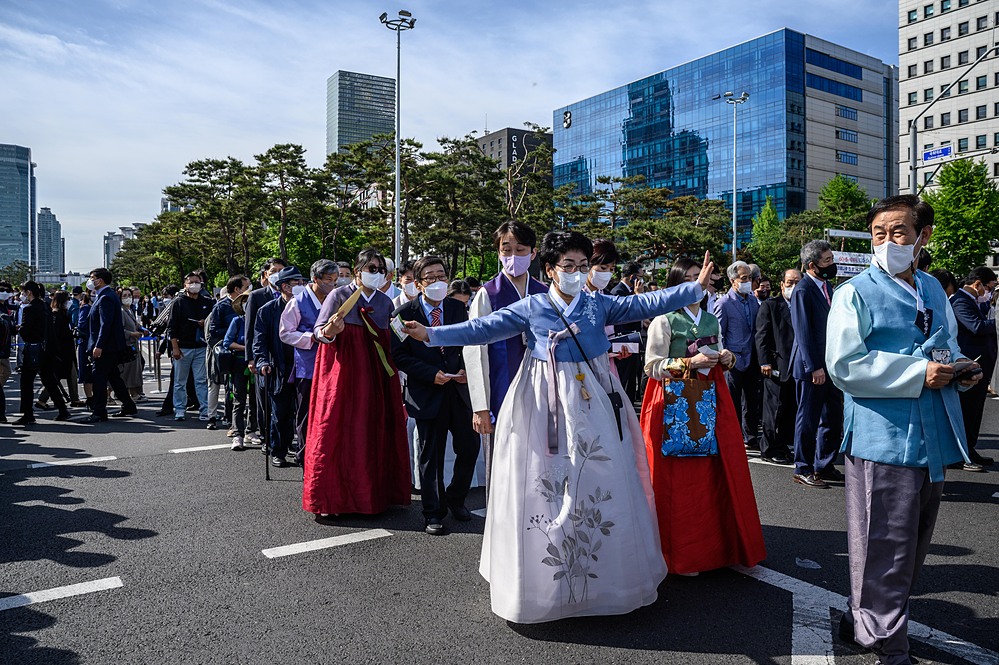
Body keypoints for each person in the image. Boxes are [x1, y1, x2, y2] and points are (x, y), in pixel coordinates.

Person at [400, 231, 711, 624]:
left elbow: (642, 303)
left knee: (600, 475)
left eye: (583, 266)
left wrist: (690, 290)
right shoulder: (530, 307)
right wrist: (432, 334)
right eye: (569, 267)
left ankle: (603, 581)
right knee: (544, 482)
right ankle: (546, 581)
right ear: (549, 270)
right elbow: (482, 329)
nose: (578, 274)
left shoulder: (599, 304)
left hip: (593, 395)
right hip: (540, 399)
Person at [827, 194, 980, 665]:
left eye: (898, 232)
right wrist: (917, 374)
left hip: (931, 433)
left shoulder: (934, 288)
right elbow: (843, 364)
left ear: (922, 237)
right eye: (879, 233)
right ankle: (889, 644)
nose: (887, 241)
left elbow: (946, 344)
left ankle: (864, 618)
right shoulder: (854, 292)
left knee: (911, 545)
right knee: (884, 546)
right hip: (881, 436)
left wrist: (959, 367)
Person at [640, 257, 766, 575]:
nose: (701, 282)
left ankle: (716, 546)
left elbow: (724, 353)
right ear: (676, 285)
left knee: (715, 472)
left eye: (703, 277)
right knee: (679, 477)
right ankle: (679, 552)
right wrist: (688, 364)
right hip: (674, 400)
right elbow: (652, 366)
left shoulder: (711, 319)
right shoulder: (664, 320)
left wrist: (728, 357)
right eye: (693, 278)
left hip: (711, 394)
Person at [305, 249, 410, 516]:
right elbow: (319, 332)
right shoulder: (339, 296)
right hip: (343, 374)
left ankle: (376, 494)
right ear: (357, 269)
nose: (375, 274)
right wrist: (331, 330)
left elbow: (396, 336)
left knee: (373, 428)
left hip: (376, 375)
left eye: (380, 270)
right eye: (370, 268)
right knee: (339, 427)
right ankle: (334, 498)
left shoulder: (386, 302)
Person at [391, 256, 479, 535]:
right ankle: (433, 511)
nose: (438, 281)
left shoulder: (459, 307)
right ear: (418, 284)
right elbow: (400, 355)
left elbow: (470, 342)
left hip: (459, 390)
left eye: (442, 275)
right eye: (430, 277)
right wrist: (430, 374)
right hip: (428, 391)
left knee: (469, 448)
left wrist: (466, 368)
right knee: (432, 455)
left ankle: (456, 497)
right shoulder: (404, 313)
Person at [463, 220, 548, 494]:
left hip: (542, 392)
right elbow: (475, 350)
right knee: (503, 464)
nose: (513, 257)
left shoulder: (545, 294)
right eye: (506, 249)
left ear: (533, 253)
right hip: (501, 393)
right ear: (498, 253)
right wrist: (480, 405)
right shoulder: (488, 294)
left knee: (541, 461)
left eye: (520, 250)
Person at [789, 239, 844, 488]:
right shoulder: (803, 290)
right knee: (808, 419)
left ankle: (824, 463)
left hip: (830, 365)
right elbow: (803, 333)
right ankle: (803, 467)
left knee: (833, 417)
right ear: (812, 265)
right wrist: (814, 367)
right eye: (827, 261)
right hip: (812, 368)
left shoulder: (828, 286)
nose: (832, 265)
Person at [279, 259, 337, 464]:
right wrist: (310, 338)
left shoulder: (335, 299)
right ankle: (304, 454)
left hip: (333, 364)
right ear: (315, 279)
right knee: (306, 413)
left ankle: (326, 455)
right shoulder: (298, 301)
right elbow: (285, 333)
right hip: (308, 364)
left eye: (335, 280)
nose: (333, 284)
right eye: (329, 280)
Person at [254, 266, 306, 467]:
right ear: (284, 286)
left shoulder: (306, 306)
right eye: (297, 283)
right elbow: (259, 340)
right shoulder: (267, 310)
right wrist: (262, 361)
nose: (302, 286)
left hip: (303, 366)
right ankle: (278, 450)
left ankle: (302, 450)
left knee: (303, 413)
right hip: (279, 367)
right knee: (280, 413)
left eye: (303, 282)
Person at [949, 266, 997, 469]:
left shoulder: (975, 301)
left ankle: (970, 448)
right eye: (989, 287)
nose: (990, 292)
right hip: (968, 365)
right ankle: (960, 454)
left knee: (975, 412)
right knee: (966, 411)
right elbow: (976, 327)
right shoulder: (960, 301)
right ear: (977, 284)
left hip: (981, 365)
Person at [713, 261, 762, 452]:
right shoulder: (723, 303)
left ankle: (750, 436)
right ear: (733, 280)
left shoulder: (752, 300)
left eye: (749, 278)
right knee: (731, 401)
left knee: (751, 400)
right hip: (732, 360)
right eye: (744, 278)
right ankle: (732, 435)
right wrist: (724, 357)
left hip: (752, 357)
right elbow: (719, 335)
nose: (748, 281)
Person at [754, 269, 801, 465]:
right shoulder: (770, 305)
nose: (793, 286)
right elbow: (761, 336)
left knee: (790, 409)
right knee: (773, 410)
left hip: (797, 367)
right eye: (789, 282)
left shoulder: (803, 306)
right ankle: (768, 448)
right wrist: (765, 361)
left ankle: (782, 447)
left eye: (798, 282)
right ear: (781, 284)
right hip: (776, 365)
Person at [82, 268, 136, 423]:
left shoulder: (106, 297)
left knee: (98, 378)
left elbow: (106, 324)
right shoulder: (105, 295)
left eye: (93, 278)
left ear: (101, 280)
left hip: (106, 347)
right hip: (110, 346)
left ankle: (99, 411)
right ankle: (128, 405)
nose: (91, 281)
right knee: (113, 376)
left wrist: (99, 345)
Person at [13, 282, 70, 425]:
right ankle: (63, 409)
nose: (22, 295)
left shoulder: (29, 309)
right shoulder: (46, 306)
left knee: (26, 382)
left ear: (29, 292)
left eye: (24, 292)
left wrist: (19, 328)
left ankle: (27, 414)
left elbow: (26, 332)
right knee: (49, 380)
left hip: (33, 349)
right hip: (48, 349)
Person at [245, 258, 287, 439]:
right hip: (264, 354)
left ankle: (281, 436)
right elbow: (250, 330)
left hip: (285, 353)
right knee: (263, 399)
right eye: (274, 271)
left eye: (281, 270)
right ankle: (264, 435)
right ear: (266, 275)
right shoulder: (257, 296)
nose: (277, 274)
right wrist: (251, 358)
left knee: (282, 400)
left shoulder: (292, 295)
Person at [167, 272, 214, 421]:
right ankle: (180, 409)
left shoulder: (207, 301)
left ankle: (204, 409)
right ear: (185, 285)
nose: (194, 285)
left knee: (201, 380)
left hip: (201, 347)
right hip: (183, 348)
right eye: (191, 282)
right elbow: (171, 327)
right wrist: (175, 347)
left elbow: (213, 322)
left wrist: (204, 323)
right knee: (180, 381)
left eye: (197, 282)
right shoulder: (178, 302)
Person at [207, 275, 249, 430]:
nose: (249, 291)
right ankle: (226, 420)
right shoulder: (221, 306)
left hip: (246, 357)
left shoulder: (251, 305)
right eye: (246, 288)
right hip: (228, 353)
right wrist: (234, 332)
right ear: (237, 289)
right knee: (227, 387)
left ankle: (241, 422)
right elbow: (213, 331)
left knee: (241, 392)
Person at [610, 260, 645, 403]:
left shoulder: (631, 292)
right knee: (623, 380)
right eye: (640, 277)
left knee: (631, 380)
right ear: (632, 277)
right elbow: (626, 316)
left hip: (634, 343)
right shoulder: (618, 292)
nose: (642, 281)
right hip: (623, 344)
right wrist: (637, 297)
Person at [223, 292, 251, 451]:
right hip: (239, 364)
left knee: (256, 401)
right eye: (245, 302)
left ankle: (252, 430)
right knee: (239, 400)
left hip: (257, 365)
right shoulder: (237, 321)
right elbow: (228, 342)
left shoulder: (259, 320)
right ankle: (237, 434)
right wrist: (245, 348)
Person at [118, 287, 145, 401]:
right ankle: (130, 394)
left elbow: (135, 324)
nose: (128, 298)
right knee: (127, 372)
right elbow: (120, 330)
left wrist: (142, 329)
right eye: (124, 296)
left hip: (133, 345)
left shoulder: (130, 310)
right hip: (127, 346)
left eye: (129, 295)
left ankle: (134, 393)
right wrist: (132, 334)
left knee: (135, 369)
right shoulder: (121, 311)